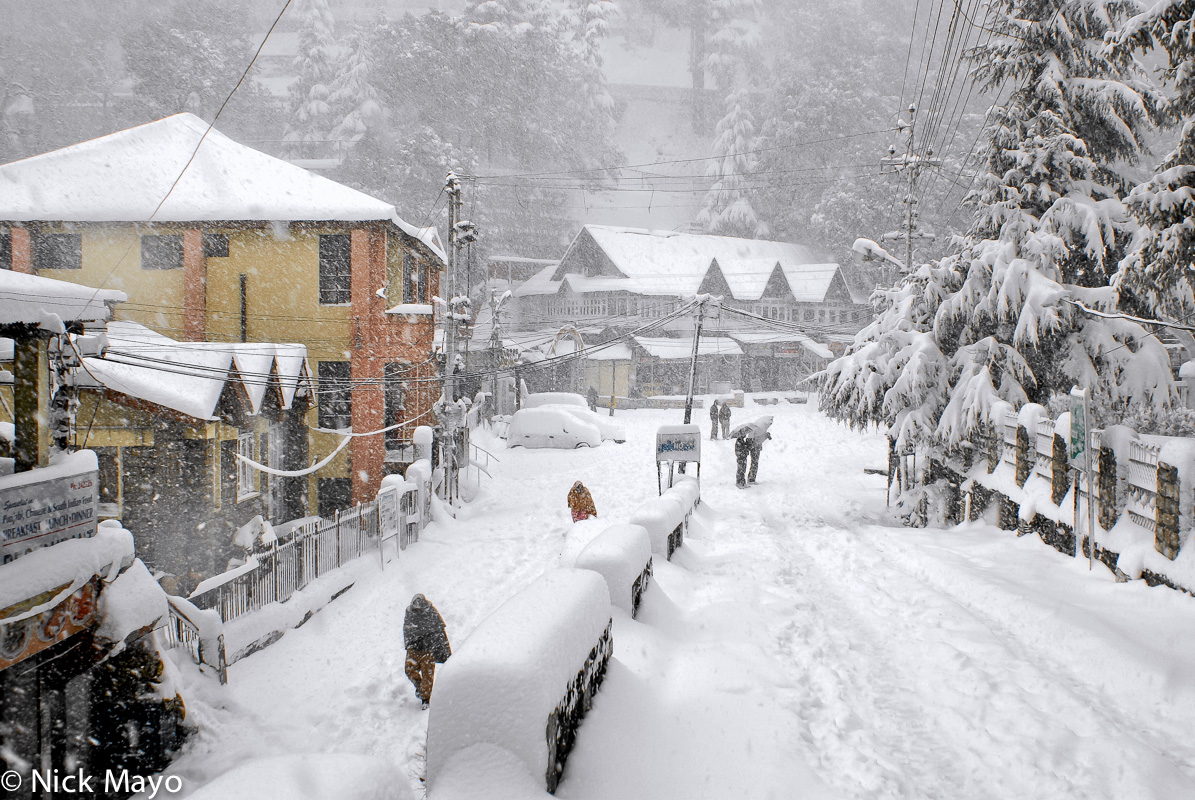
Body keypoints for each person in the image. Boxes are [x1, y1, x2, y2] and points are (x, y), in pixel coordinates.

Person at [404, 594, 451, 709]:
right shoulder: (410, 613)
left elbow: (439, 629)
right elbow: (406, 629)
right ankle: (422, 690)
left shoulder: (430, 612)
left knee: (427, 675)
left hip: (428, 649)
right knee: (409, 670)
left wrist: (441, 648)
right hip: (413, 649)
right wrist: (410, 644)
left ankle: (426, 699)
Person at [747, 416, 774, 484]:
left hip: (756, 447)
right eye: (769, 423)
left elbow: (759, 438)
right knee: (754, 463)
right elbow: (754, 438)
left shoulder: (760, 428)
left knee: (754, 463)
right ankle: (751, 479)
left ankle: (751, 478)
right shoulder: (758, 429)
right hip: (755, 448)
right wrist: (754, 443)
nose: (770, 425)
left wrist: (766, 436)